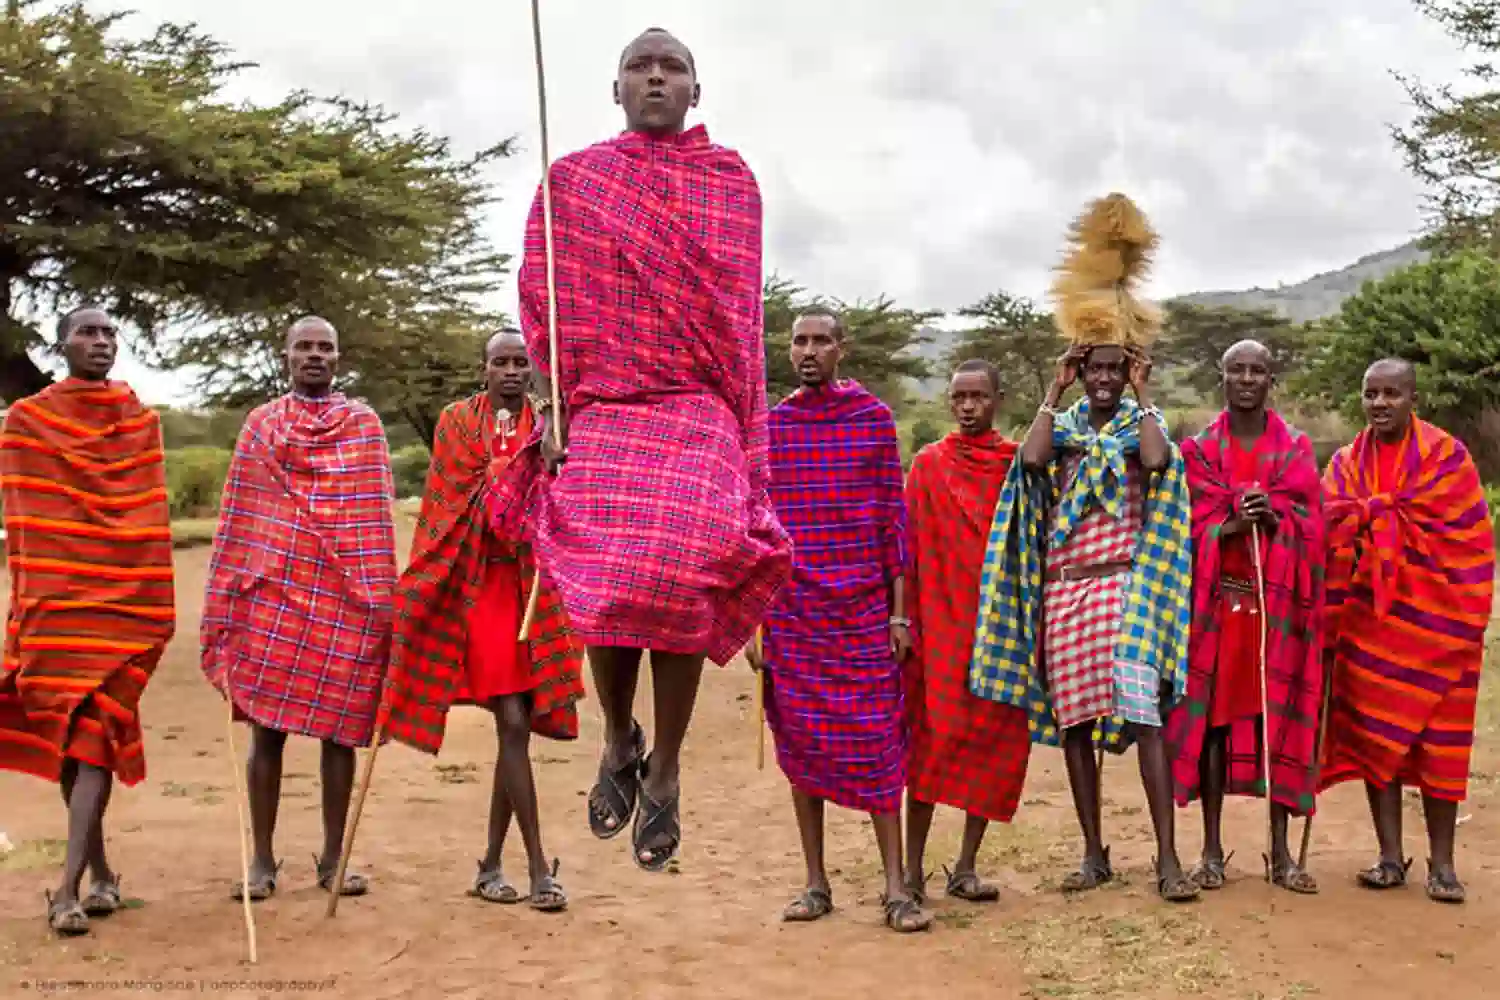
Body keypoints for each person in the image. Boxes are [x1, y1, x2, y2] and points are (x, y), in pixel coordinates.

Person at [490, 27, 791, 874]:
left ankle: (665, 765)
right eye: (640, 67)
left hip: (698, 410)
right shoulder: (572, 183)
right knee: (610, 579)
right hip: (605, 406)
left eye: (674, 68)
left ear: (696, 91)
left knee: (683, 570)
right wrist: (550, 406)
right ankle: (619, 734)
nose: (656, 77)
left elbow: (739, 319)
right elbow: (539, 299)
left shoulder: (728, 182)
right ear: (615, 88)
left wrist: (744, 430)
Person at [970, 193, 1198, 902]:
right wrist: (1053, 388)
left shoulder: (1138, 425)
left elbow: (1158, 463)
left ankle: (1166, 861)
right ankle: (1094, 854)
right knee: (1075, 727)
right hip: (1066, 592)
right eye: (1091, 370)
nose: (1101, 380)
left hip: (1125, 589)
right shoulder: (1064, 424)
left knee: (1144, 717)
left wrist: (1142, 392)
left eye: (1111, 370)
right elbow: (1032, 462)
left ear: (1127, 370)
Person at [379, 330, 585, 911]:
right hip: (478, 586)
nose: (513, 372)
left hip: (535, 589)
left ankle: (492, 865)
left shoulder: (552, 425)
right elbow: (453, 501)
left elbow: (569, 501)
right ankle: (540, 868)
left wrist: (552, 464)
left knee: (515, 726)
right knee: (514, 720)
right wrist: (520, 469)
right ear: (484, 369)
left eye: (522, 362)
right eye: (502, 362)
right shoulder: (455, 423)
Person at [201, 316, 397, 902]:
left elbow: (373, 523)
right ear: (285, 356)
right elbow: (241, 519)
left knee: (340, 733)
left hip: (346, 600)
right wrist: (236, 590)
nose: (315, 356)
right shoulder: (261, 425)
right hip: (276, 597)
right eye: (304, 347)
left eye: (325, 348)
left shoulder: (364, 425)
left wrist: (378, 597)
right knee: (268, 730)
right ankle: (261, 859)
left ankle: (334, 856)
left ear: (339, 357)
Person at [748, 310, 929, 933]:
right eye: (799, 340)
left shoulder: (872, 420)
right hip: (794, 615)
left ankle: (896, 889)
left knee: (881, 745)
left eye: (821, 340)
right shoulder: (772, 428)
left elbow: (892, 523)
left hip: (863, 615)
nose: (808, 350)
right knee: (800, 748)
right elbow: (759, 533)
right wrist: (757, 624)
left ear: (841, 350)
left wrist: (899, 615)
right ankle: (816, 883)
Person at [0, 307, 175, 936]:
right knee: (75, 746)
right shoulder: (27, 422)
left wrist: (147, 597)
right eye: (86, 333)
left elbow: (144, 518)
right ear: (61, 344)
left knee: (95, 739)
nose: (99, 342)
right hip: (57, 611)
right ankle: (101, 873)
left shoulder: (139, 423)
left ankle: (66, 890)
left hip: (125, 610)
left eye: (108, 334)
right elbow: (27, 519)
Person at [1319, 358, 1494, 903]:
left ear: (1412, 398)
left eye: (1391, 393)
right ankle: (1390, 857)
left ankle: (1443, 865)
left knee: (1441, 746)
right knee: (1380, 739)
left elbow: (1471, 543)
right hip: (1370, 628)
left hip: (1442, 629)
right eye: (1371, 393)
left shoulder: (1447, 458)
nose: (1379, 404)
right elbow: (1327, 528)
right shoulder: (1347, 464)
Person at [1164, 340, 1326, 894]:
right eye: (1238, 370)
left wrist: (1277, 515)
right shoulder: (1200, 450)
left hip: (1278, 606)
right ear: (1222, 377)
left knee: (1274, 718)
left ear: (1271, 377)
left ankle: (1280, 854)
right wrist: (1231, 523)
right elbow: (1186, 526)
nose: (1248, 379)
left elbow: (1312, 521)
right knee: (1212, 724)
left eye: (1259, 369)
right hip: (1220, 606)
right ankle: (1211, 851)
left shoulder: (1296, 448)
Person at [903, 359, 1031, 905]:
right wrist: (902, 619)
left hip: (998, 626)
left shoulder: (1014, 465)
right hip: (937, 624)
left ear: (997, 399)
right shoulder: (928, 466)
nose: (968, 406)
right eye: (959, 397)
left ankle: (965, 867)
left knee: (996, 741)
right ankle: (910, 872)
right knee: (928, 744)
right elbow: (903, 550)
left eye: (978, 396)